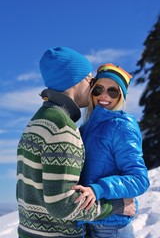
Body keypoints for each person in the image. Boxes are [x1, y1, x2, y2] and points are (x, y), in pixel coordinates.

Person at [16, 48, 136, 238]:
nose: (91, 85)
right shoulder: (63, 129)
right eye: (90, 79)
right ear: (75, 80)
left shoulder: (36, 122)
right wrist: (116, 206)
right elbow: (62, 205)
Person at [72, 63, 150, 238]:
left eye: (112, 91)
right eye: (98, 89)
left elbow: (139, 179)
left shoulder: (122, 126)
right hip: (90, 223)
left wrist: (99, 189)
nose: (104, 96)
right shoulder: (85, 129)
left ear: (121, 95)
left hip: (112, 228)